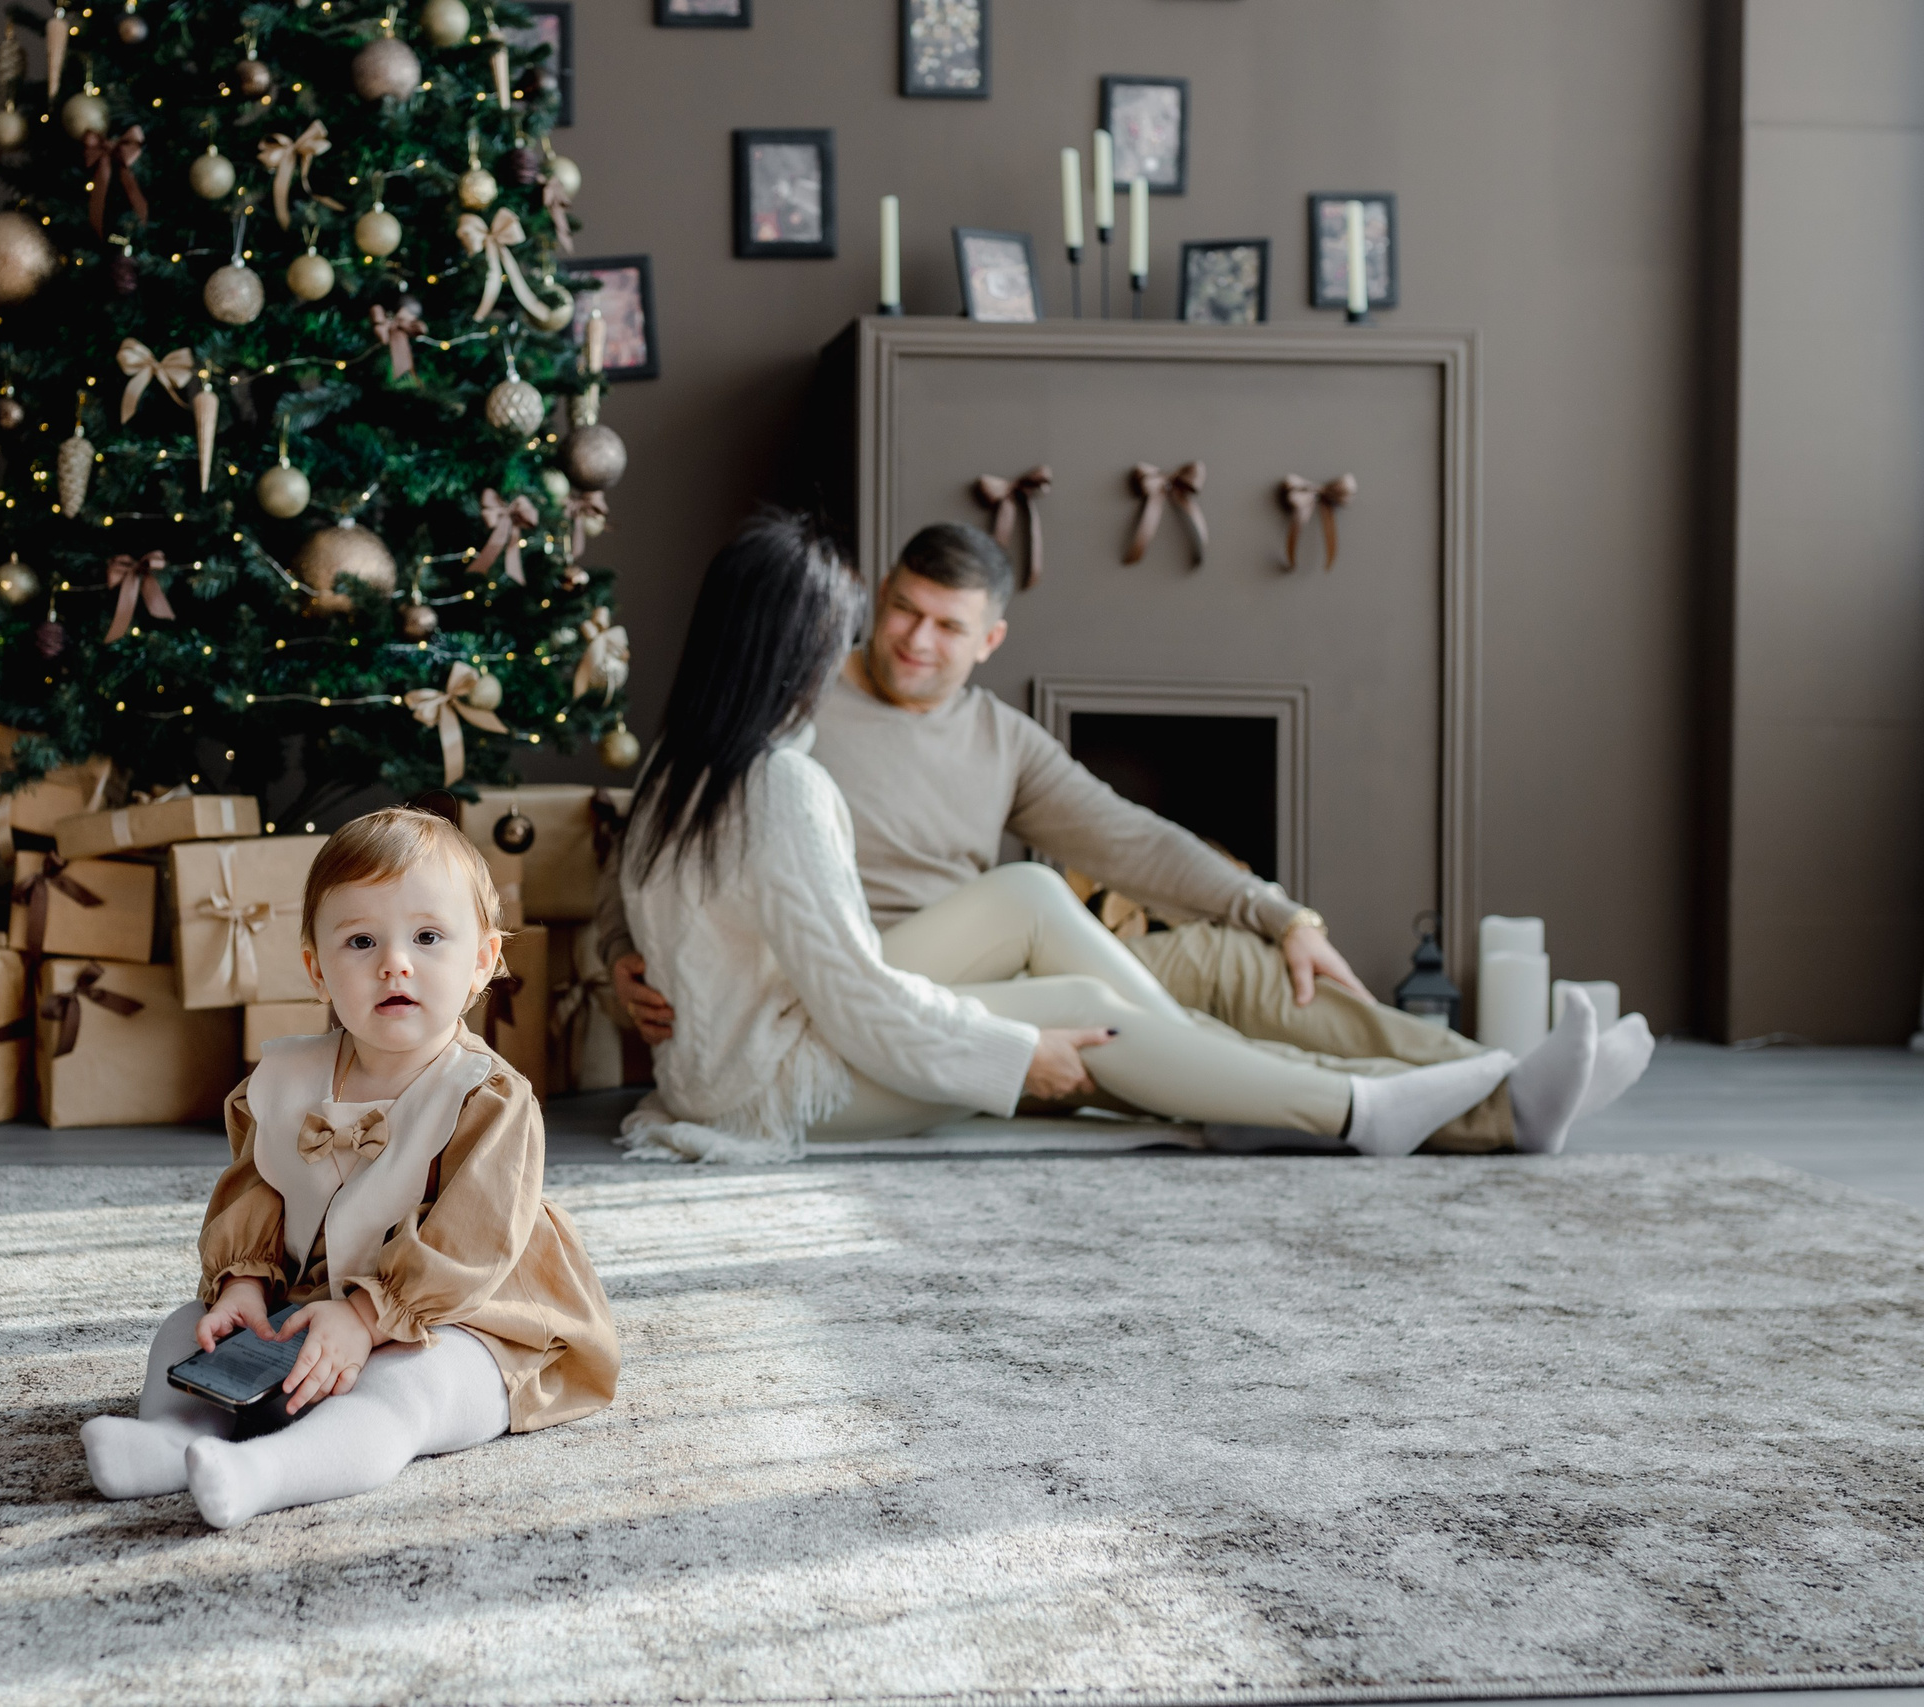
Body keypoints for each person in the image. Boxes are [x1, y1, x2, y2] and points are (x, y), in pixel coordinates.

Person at [603, 520, 1652, 1154]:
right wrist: (621, 961)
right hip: (837, 1006)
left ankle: (1485, 1077)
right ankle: (1411, 1108)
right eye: (891, 613)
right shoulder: (782, 745)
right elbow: (702, 907)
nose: (906, 641)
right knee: (1081, 994)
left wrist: (1280, 911)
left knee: (1181, 946)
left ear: (990, 640)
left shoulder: (984, 739)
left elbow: (1130, 839)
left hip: (887, 984)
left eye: (946, 625)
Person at [80, 808, 618, 1528]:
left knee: (410, 1387)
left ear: (484, 960)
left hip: (461, 1316)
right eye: (361, 941)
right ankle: (175, 1438)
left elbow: (469, 1244)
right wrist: (242, 1283)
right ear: (318, 969)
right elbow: (256, 1193)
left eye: (428, 937)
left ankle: (267, 1470)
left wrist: (368, 1317)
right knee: (188, 1329)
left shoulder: (488, 1098)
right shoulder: (285, 1078)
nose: (395, 962)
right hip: (313, 1298)